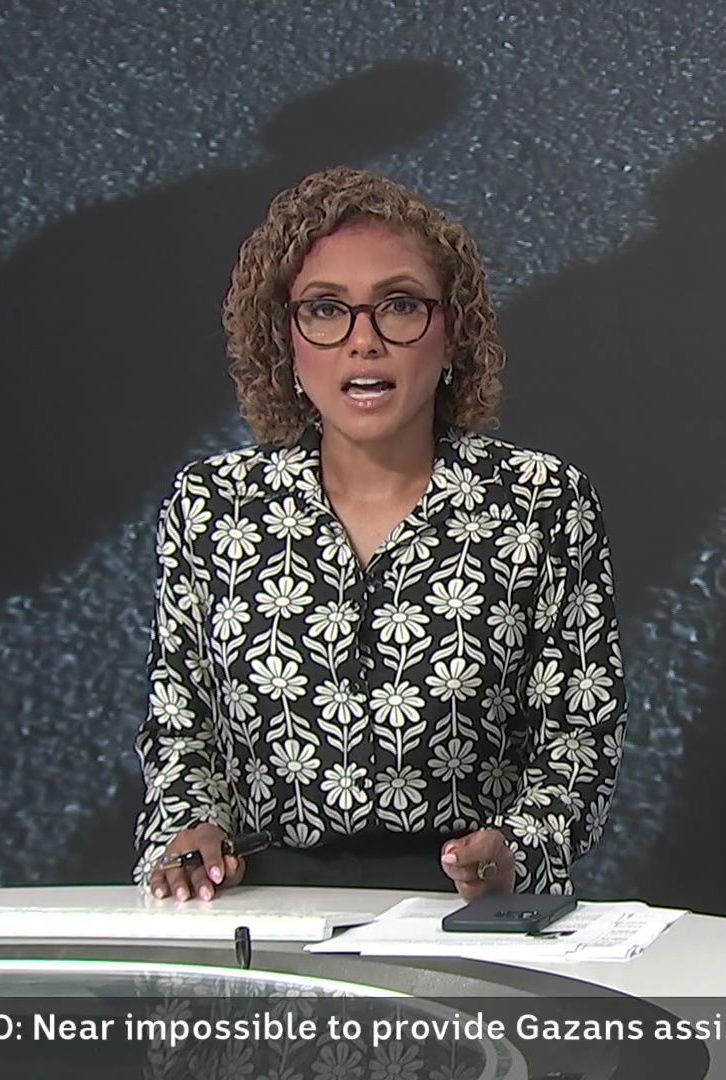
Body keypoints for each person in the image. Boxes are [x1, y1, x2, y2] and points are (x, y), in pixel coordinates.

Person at [133, 167, 624, 901]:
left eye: (398, 306)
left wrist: (516, 852)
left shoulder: (541, 502)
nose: (363, 342)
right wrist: (190, 829)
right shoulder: (213, 504)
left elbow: (578, 739)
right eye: (325, 310)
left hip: (464, 904)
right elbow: (182, 726)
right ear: (285, 339)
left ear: (452, 334)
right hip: (261, 902)